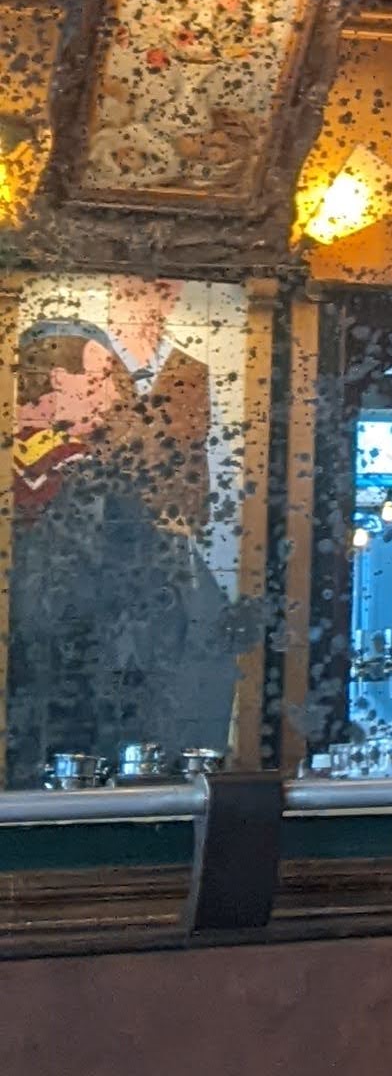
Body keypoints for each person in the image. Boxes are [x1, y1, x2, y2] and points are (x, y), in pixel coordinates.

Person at [8, 312, 244, 782]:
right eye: (100, 380)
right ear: (60, 380)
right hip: (80, 719)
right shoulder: (91, 483)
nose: (115, 397)